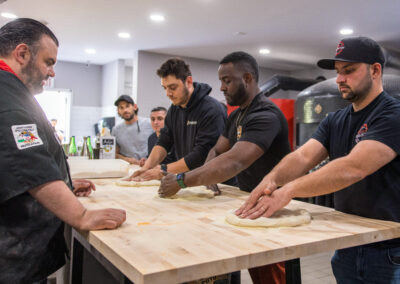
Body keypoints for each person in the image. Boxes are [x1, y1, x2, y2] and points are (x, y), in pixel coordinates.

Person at [237, 37, 400, 283]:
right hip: (348, 244)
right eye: (337, 72)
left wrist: (288, 190)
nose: (340, 79)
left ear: (375, 70)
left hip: (388, 251)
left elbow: (353, 168)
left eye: (349, 70)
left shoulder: (392, 115)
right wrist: (271, 180)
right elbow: (303, 156)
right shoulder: (335, 120)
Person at [0, 18, 126, 283]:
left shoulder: (12, 92)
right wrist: (81, 215)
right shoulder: (7, 97)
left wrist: (64, 184)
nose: (52, 72)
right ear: (22, 53)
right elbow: (29, 163)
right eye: (49, 62)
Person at [159, 51, 291, 284]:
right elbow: (218, 151)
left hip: (274, 209)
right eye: (221, 81)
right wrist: (209, 172)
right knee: (252, 269)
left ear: (248, 78)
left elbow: (236, 160)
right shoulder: (237, 116)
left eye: (227, 80)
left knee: (270, 277)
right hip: (251, 203)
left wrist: (182, 180)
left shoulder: (265, 114)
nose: (221, 87)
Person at [130, 58, 226, 180]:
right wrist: (146, 167)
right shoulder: (175, 109)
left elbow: (202, 154)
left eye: (173, 87)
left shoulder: (211, 109)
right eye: (164, 88)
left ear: (189, 81)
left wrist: (163, 170)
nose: (168, 93)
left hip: (216, 182)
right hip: (189, 179)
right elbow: (164, 141)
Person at [112, 94, 153, 165]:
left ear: (135, 107)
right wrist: (126, 159)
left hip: (148, 166)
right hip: (127, 167)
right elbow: (114, 154)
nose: (125, 110)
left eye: (127, 106)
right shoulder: (116, 130)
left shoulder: (149, 123)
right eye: (121, 108)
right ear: (118, 111)